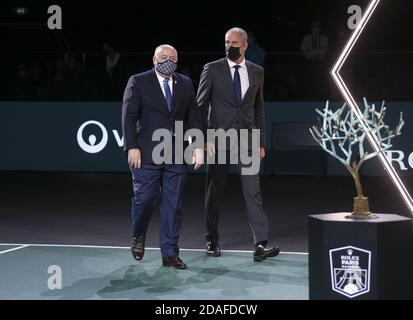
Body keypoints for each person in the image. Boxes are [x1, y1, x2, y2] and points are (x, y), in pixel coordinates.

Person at [196, 27, 280, 262]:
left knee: (253, 191)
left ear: (244, 45)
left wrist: (261, 142)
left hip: (248, 140)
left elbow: (259, 110)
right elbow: (201, 106)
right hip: (218, 140)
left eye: (233, 43)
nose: (229, 46)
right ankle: (212, 240)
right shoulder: (211, 69)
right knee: (215, 191)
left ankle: (260, 244)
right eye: (226, 42)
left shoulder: (257, 71)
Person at [122, 44, 203, 269]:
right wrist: (132, 147)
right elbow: (128, 117)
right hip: (146, 152)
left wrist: (197, 146)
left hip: (175, 152)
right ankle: (138, 234)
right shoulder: (138, 81)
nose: (168, 60)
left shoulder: (185, 83)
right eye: (163, 57)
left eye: (172, 58)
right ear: (154, 59)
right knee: (145, 198)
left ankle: (169, 253)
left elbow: (194, 115)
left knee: (173, 204)